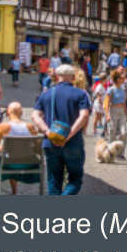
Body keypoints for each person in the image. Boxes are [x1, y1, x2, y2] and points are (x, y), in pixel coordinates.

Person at [32, 65, 91, 195]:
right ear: (73, 77)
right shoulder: (81, 94)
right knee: (75, 179)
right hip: (73, 143)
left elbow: (35, 115)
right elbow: (84, 115)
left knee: (54, 180)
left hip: (50, 142)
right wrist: (68, 135)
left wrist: (48, 132)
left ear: (57, 77)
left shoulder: (46, 94)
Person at [0, 102, 40, 195]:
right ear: (21, 113)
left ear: (7, 113)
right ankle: (14, 192)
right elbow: (39, 149)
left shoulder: (3, 127)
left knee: (7, 157)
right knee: (13, 156)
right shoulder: (30, 127)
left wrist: (2, 149)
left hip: (8, 164)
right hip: (28, 163)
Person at [104, 69, 127, 157]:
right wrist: (107, 115)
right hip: (113, 111)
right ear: (118, 79)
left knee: (124, 132)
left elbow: (124, 103)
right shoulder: (111, 90)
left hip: (121, 111)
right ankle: (111, 151)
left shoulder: (122, 89)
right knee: (112, 132)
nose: (124, 80)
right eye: (122, 78)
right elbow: (107, 103)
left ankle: (121, 153)